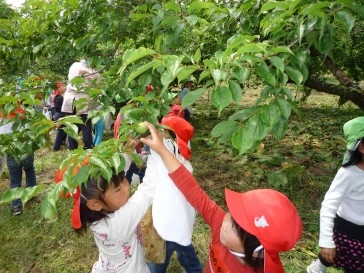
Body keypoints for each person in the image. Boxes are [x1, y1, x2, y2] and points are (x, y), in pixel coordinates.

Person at [140, 122, 302, 273]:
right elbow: (193, 190)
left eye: (234, 226)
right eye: (232, 214)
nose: (225, 222)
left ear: (255, 252)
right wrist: (162, 150)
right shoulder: (221, 224)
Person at [55, 152, 157, 273]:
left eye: (123, 179)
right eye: (118, 188)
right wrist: (158, 151)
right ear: (95, 204)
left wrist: (128, 150)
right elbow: (148, 189)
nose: (127, 186)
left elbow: (116, 170)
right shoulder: (120, 222)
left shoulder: (96, 217)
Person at [307, 116, 364, 273]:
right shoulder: (349, 174)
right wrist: (326, 241)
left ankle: (319, 265)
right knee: (335, 254)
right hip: (348, 230)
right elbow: (328, 206)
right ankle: (318, 267)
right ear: (362, 148)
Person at [147, 116, 202, 273]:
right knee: (184, 245)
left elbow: (157, 148)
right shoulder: (180, 156)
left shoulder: (163, 154)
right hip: (180, 219)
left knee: (159, 258)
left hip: (167, 221)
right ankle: (194, 269)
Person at [61, 59, 100, 150]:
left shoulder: (74, 65)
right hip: (83, 101)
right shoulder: (94, 72)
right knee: (86, 128)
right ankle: (88, 150)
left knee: (72, 128)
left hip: (70, 101)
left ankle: (73, 151)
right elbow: (97, 88)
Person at [53, 82, 67, 151]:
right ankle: (56, 147)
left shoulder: (59, 97)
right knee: (61, 131)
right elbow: (56, 107)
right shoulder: (60, 98)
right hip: (60, 115)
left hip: (60, 114)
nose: (64, 87)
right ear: (58, 88)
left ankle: (61, 143)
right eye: (62, 86)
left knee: (63, 130)